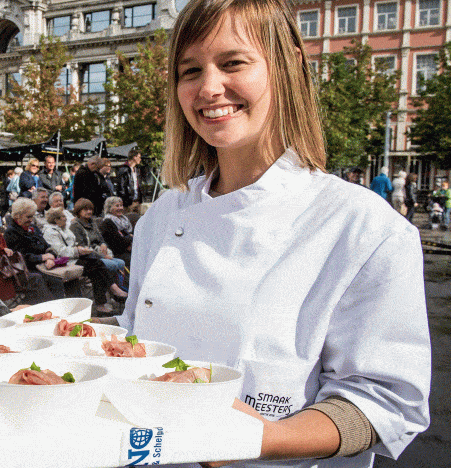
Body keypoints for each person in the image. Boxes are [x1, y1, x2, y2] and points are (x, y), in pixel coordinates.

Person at [106, 1, 430, 465]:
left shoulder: (365, 226)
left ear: (289, 66)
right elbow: (140, 336)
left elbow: (382, 401)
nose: (209, 87)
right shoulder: (163, 215)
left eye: (233, 62)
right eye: (190, 70)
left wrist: (256, 438)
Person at [0, 198, 53, 304]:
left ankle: (38, 307)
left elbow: (0, 251)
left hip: (6, 272)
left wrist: (5, 249)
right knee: (37, 279)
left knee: (46, 279)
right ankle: (46, 309)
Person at [42, 208, 124, 313]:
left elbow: (73, 243)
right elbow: (60, 251)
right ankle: (110, 293)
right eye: (63, 217)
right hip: (64, 262)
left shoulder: (64, 228)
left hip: (73, 258)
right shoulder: (50, 232)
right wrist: (77, 250)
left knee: (96, 266)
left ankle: (105, 299)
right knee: (96, 266)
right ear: (56, 220)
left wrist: (80, 249)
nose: (66, 218)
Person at [3, 198, 66, 299]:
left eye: (32, 216)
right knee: (55, 280)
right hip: (26, 270)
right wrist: (42, 257)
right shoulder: (11, 232)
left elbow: (47, 247)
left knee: (69, 278)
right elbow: (19, 257)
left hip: (44, 266)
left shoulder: (33, 228)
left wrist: (50, 257)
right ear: (18, 216)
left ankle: (75, 307)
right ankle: (53, 310)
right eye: (28, 217)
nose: (31, 220)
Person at [69, 198, 126, 276]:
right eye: (85, 210)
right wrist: (103, 256)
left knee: (121, 263)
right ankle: (111, 287)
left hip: (99, 252)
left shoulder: (92, 222)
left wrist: (103, 244)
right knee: (112, 264)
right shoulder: (75, 226)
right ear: (79, 211)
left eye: (90, 209)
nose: (89, 212)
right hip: (89, 257)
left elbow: (101, 238)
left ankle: (120, 285)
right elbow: (83, 248)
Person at [100, 196, 133, 268]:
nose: (120, 208)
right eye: (117, 206)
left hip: (129, 249)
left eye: (121, 205)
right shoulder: (107, 222)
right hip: (117, 253)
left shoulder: (124, 220)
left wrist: (129, 238)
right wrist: (130, 237)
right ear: (109, 208)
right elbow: (118, 244)